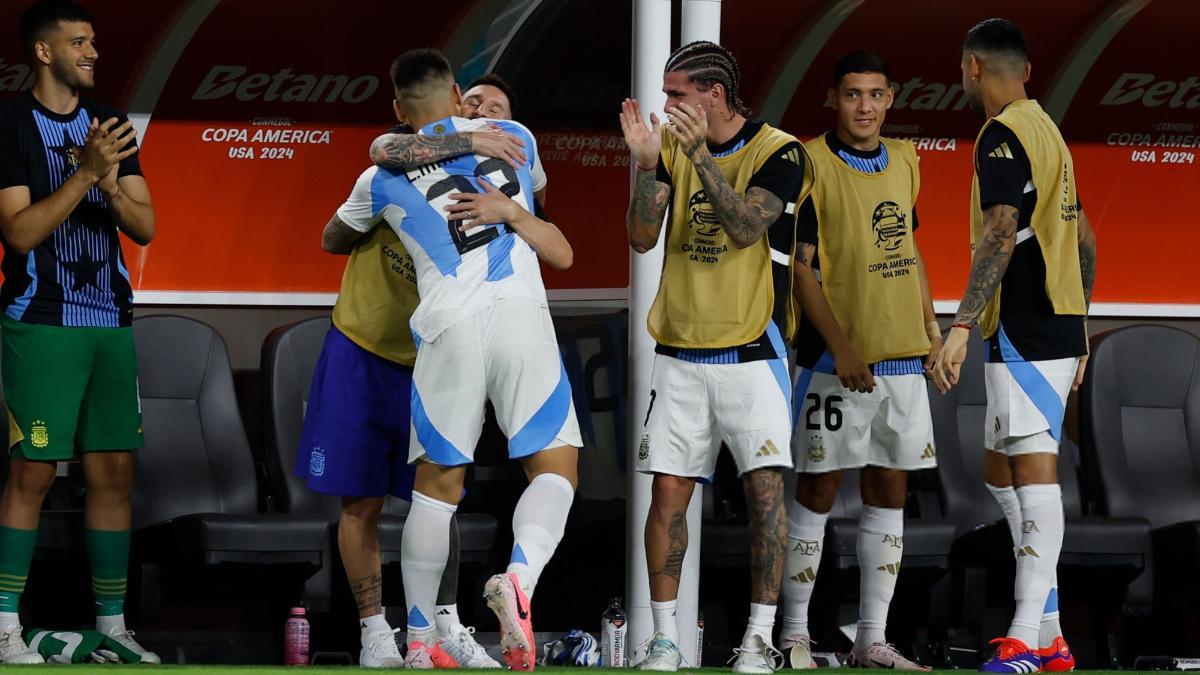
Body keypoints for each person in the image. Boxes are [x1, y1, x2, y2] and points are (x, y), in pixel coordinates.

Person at [329, 48, 580, 671]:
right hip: (520, 314)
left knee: (436, 492)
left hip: (446, 326)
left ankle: (417, 641)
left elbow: (334, 235)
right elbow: (539, 204)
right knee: (555, 469)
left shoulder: (377, 175)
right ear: (459, 92)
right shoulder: (513, 136)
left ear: (396, 108)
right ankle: (518, 579)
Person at [301, 110, 538, 668]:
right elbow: (334, 234)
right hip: (362, 348)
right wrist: (385, 213)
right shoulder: (389, 173)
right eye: (474, 105)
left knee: (438, 498)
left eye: (495, 114)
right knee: (359, 500)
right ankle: (374, 633)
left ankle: (444, 626)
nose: (484, 117)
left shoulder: (502, 193)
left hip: (436, 355)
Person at [620, 40, 810, 674]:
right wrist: (648, 167)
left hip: (753, 352)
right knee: (668, 497)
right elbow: (643, 237)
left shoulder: (780, 151)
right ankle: (664, 641)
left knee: (764, 498)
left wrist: (697, 154)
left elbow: (745, 227)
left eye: (677, 94)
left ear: (715, 97)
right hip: (678, 348)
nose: (666, 105)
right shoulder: (672, 145)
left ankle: (758, 640)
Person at [932, 18, 1096, 674]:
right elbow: (1082, 235)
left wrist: (962, 325)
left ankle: (1024, 637)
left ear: (972, 67)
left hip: (1027, 325)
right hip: (1047, 326)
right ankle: (1053, 634)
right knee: (1000, 472)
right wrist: (1080, 328)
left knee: (1032, 473)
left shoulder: (1000, 135)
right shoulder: (1048, 128)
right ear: (1025, 71)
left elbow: (999, 232)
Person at [0, 0, 157, 665]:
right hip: (41, 322)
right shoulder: (7, 121)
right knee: (33, 472)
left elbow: (146, 226)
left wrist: (113, 184)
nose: (93, 52)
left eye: (94, 41)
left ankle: (114, 623)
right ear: (44, 52)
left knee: (114, 471)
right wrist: (85, 174)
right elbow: (19, 230)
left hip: (109, 323)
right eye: (79, 42)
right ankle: (5, 625)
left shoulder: (112, 125)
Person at [781, 50, 938, 672]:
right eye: (853, 94)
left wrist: (931, 326)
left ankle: (872, 639)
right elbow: (800, 265)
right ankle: (792, 635)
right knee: (817, 490)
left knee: (888, 491)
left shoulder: (905, 159)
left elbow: (910, 243)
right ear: (832, 98)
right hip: (833, 359)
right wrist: (842, 344)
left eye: (875, 94)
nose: (865, 106)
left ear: (891, 98)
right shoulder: (808, 162)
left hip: (902, 358)